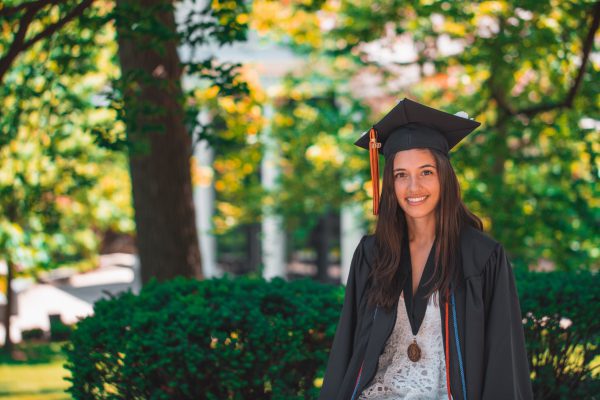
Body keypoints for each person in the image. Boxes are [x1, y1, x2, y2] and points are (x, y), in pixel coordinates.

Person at [318, 98, 533, 400]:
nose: (413, 187)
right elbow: (348, 349)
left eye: (426, 172)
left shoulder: (482, 258)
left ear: (445, 176)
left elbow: (502, 359)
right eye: (401, 175)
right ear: (390, 184)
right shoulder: (372, 253)